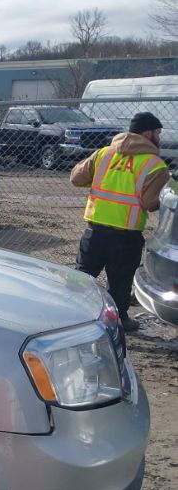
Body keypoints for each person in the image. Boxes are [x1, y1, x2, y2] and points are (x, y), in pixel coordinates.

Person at [70, 111, 170, 332]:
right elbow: (149, 202)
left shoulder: (104, 154)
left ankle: (72, 316)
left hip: (95, 230)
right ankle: (118, 320)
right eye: (158, 132)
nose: (159, 137)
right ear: (148, 133)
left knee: (82, 276)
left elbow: (76, 178)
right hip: (126, 234)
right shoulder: (155, 165)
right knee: (120, 281)